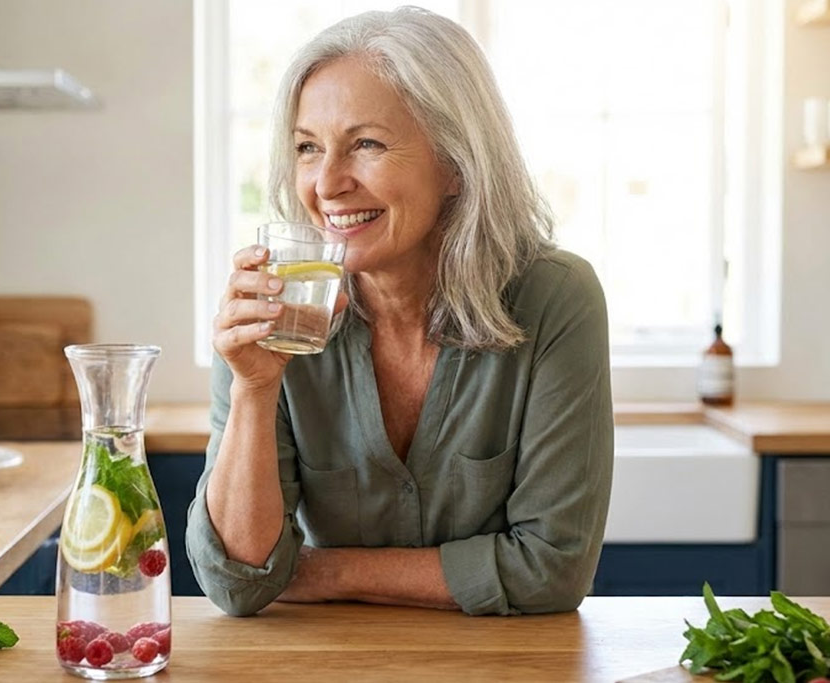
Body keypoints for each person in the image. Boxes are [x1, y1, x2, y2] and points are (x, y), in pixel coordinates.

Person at [186, 6, 613, 617]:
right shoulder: (272, 312)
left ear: (456, 164)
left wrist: (320, 571)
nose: (327, 184)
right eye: (308, 148)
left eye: (365, 144)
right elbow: (238, 580)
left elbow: (552, 570)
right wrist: (255, 388)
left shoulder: (556, 298)